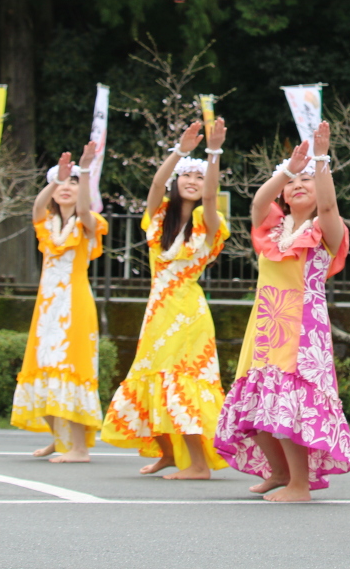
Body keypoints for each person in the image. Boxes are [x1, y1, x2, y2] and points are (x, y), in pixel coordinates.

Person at [215, 121, 350, 502]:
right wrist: (285, 170)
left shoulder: (327, 228)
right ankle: (279, 473)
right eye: (293, 183)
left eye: (306, 181)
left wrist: (322, 160)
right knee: (257, 402)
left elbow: (327, 203)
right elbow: (259, 203)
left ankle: (300, 484)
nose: (297, 186)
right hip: (264, 326)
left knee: (289, 406)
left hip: (301, 330)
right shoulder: (275, 226)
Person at [101, 119, 231, 479]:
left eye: (199, 177)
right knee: (151, 377)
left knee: (178, 380)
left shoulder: (211, 222)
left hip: (188, 313)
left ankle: (199, 465)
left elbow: (208, 197)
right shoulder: (158, 219)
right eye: (187, 176)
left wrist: (213, 152)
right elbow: (157, 183)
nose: (192, 181)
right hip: (157, 310)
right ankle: (169, 453)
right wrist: (180, 151)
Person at [13, 142, 108, 463]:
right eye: (61, 185)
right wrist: (56, 178)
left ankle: (79, 448)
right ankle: (60, 438)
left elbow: (83, 211)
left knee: (72, 367)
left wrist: (82, 169)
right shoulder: (47, 225)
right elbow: (36, 210)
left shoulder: (90, 222)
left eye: (73, 185)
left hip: (75, 305)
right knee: (42, 366)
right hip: (47, 308)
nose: (66, 189)